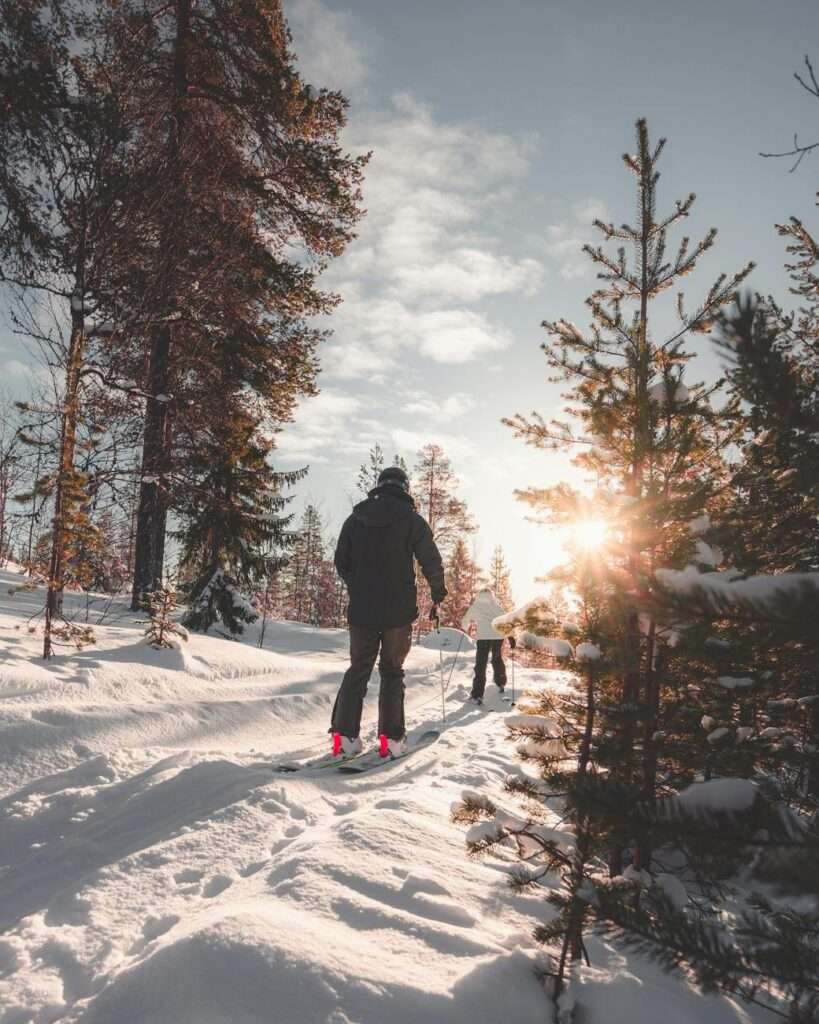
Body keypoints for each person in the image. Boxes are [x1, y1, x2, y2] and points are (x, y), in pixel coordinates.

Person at [331, 465, 446, 760]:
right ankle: (391, 740)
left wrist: (357, 584)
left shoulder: (355, 520)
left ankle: (344, 737)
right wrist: (437, 593)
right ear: (404, 488)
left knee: (358, 669)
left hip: (362, 611)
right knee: (392, 672)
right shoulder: (412, 520)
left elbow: (341, 561)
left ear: (379, 486)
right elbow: (430, 559)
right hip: (398, 612)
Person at [461, 587, 515, 705]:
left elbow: (465, 622)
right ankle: (501, 682)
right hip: (497, 638)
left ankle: (477, 694)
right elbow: (505, 622)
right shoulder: (496, 607)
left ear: (480, 596)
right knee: (497, 658)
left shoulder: (476, 606)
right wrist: (510, 636)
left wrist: (466, 627)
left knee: (481, 664)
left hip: (484, 638)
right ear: (492, 596)